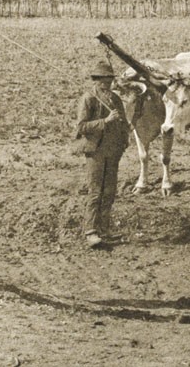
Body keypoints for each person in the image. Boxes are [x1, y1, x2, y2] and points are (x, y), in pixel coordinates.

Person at [73, 60, 130, 249]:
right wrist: (105, 121)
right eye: (101, 79)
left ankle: (104, 229)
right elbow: (81, 127)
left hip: (113, 152)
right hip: (95, 151)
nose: (106, 83)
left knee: (110, 192)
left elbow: (123, 125)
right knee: (95, 192)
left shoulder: (116, 99)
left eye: (108, 79)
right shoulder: (88, 99)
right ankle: (91, 231)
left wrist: (123, 142)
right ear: (95, 80)